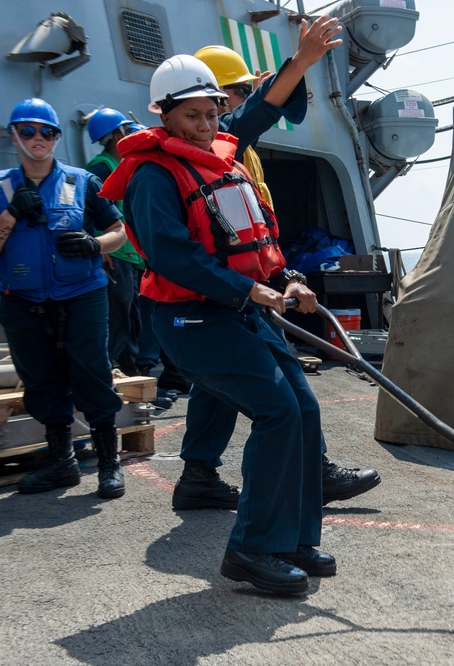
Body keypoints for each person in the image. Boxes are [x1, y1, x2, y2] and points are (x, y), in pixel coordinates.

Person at [100, 51, 337, 594]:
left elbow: (257, 119)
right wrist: (246, 289)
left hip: (240, 310)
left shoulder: (220, 155)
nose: (207, 126)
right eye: (193, 117)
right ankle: (252, 549)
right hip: (190, 321)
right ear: (164, 116)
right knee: (277, 411)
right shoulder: (154, 175)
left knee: (302, 408)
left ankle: (294, 537)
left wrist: (287, 279)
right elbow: (170, 255)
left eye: (211, 113)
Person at [177, 34, 381, 510]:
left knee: (216, 384)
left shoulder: (233, 150)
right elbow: (255, 115)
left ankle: (198, 475)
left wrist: (284, 271)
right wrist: (300, 63)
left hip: (243, 280)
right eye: (239, 92)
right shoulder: (219, 142)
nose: (240, 104)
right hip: (231, 287)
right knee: (284, 390)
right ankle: (311, 473)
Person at [0, 98, 127, 500]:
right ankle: (61, 463)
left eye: (47, 132)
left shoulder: (83, 182)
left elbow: (119, 231)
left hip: (81, 294)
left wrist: (94, 244)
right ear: (14, 135)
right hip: (22, 299)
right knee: (40, 378)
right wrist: (10, 214)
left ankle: (109, 464)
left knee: (92, 373)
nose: (37, 139)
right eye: (28, 131)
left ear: (57, 138)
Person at [85, 109, 175, 411]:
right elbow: (98, 212)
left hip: (130, 256)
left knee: (134, 320)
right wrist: (105, 249)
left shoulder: (122, 164)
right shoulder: (101, 166)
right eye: (125, 130)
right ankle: (118, 383)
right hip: (115, 256)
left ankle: (137, 383)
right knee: (120, 320)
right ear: (115, 135)